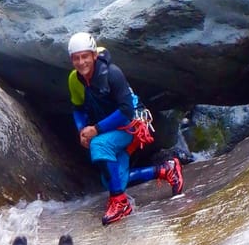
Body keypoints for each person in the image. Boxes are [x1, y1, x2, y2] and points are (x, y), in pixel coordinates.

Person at [67, 31, 185, 225]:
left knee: (99, 145)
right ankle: (166, 169)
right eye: (76, 58)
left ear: (94, 55)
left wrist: (95, 130)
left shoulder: (112, 73)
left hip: (133, 124)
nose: (81, 63)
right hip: (110, 128)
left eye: (85, 57)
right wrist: (82, 129)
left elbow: (126, 111)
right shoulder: (74, 79)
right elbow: (77, 108)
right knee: (113, 181)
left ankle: (120, 203)